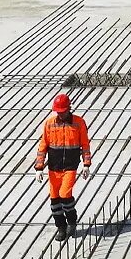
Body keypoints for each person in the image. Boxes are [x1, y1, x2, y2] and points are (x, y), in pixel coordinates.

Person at [35, 93, 92, 241]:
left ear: (69, 108)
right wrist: (39, 167)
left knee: (65, 194)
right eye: (58, 112)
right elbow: (43, 146)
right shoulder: (49, 123)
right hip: (54, 167)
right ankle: (61, 227)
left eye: (62, 111)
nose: (60, 114)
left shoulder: (79, 123)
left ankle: (72, 222)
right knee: (54, 199)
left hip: (70, 167)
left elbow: (85, 145)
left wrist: (86, 164)